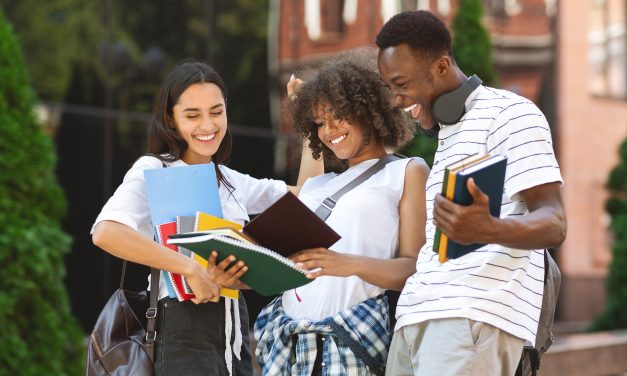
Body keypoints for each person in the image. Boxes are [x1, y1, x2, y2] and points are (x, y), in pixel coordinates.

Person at [91, 60, 322, 376]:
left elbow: (308, 195)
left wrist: (308, 121)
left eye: (216, 112)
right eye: (192, 115)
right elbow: (106, 232)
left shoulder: (230, 180)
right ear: (170, 120)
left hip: (235, 333)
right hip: (181, 331)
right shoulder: (156, 169)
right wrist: (189, 268)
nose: (207, 125)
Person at [376, 10, 567, 376]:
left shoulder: (510, 114)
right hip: (416, 318)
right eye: (389, 87)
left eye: (400, 84)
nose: (394, 100)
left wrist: (489, 229)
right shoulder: (448, 136)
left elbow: (554, 222)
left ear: (442, 67)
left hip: (470, 317)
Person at [253, 49, 430, 375]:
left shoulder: (406, 172)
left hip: (350, 343)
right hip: (291, 345)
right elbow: (287, 262)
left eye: (339, 116)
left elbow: (412, 269)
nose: (329, 130)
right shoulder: (316, 186)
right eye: (320, 122)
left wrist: (345, 264)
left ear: (370, 110)